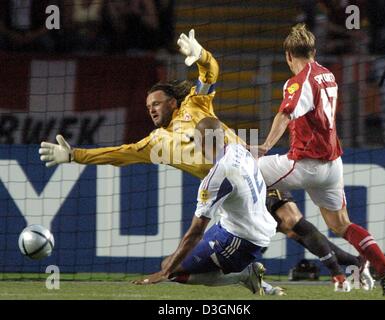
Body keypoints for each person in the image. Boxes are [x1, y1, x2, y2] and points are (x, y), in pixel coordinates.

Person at [39, 29, 368, 292]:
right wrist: (73, 155)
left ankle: (346, 267)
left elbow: (210, 72)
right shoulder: (153, 143)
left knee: (292, 221)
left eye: (157, 102)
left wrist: (201, 55)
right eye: (148, 106)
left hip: (248, 173)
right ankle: (340, 265)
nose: (152, 108)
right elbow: (114, 155)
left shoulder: (194, 104)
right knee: (284, 226)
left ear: (172, 100)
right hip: (225, 192)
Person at [254, 23, 385, 296]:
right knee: (341, 225)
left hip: (304, 163)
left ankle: (246, 246)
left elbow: (285, 114)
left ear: (289, 55)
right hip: (332, 165)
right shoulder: (328, 75)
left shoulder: (298, 81)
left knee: (246, 171)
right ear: (313, 50)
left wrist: (264, 146)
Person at [132, 117, 282, 295]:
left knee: (171, 269)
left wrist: (164, 273)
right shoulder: (237, 149)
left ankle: (243, 274)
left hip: (241, 239)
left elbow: (196, 232)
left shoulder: (217, 177)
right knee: (176, 262)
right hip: (237, 227)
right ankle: (257, 281)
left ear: (199, 141)